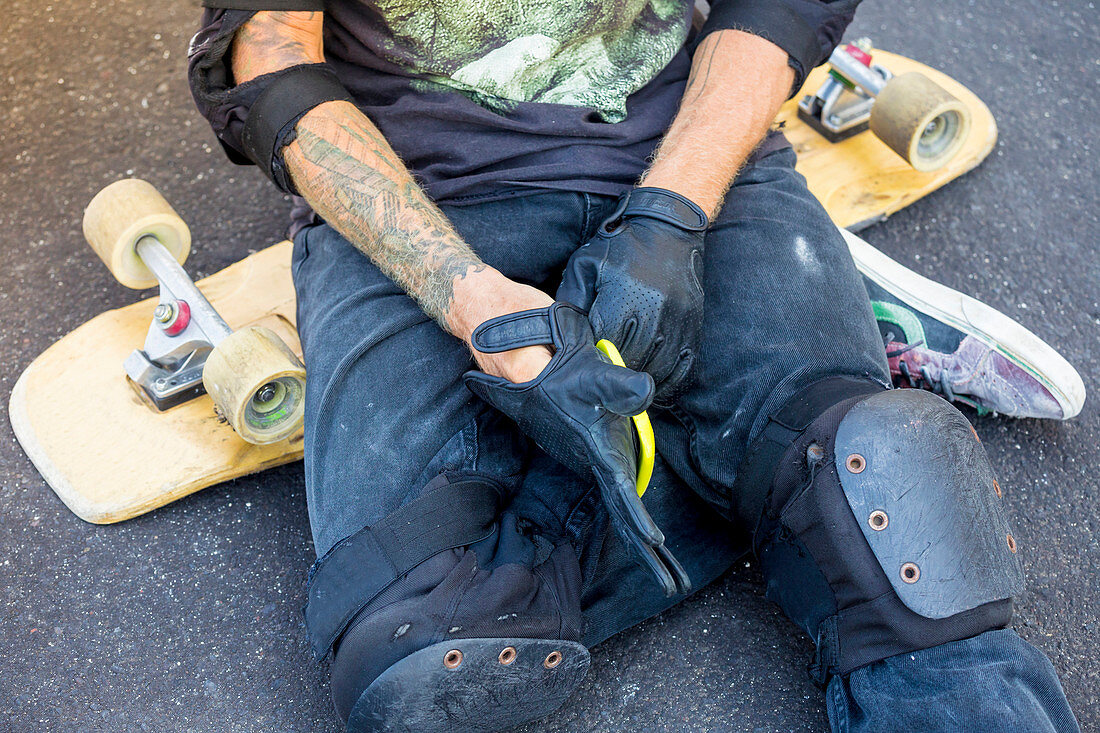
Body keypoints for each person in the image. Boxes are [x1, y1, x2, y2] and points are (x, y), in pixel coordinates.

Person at [187, 2, 1083, 730]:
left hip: (680, 148)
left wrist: (668, 219)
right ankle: (773, 439)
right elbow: (270, 56)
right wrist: (476, 306)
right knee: (418, 647)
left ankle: (808, 425)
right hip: (425, 194)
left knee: (895, 503)